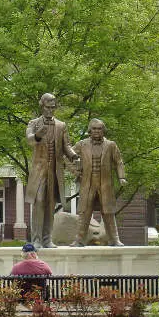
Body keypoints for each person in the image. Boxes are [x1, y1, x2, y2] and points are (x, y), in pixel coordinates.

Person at [25, 93, 78, 248]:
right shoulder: (34, 123)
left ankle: (47, 239)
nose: (50, 110)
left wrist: (74, 156)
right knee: (39, 202)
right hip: (39, 171)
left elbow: (66, 145)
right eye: (48, 107)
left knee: (50, 204)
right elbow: (29, 139)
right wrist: (37, 136)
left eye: (53, 107)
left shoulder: (61, 125)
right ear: (42, 106)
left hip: (55, 171)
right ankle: (36, 239)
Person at [71, 118, 127, 247]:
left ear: (103, 130)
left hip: (105, 183)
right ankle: (79, 240)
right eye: (94, 129)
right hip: (87, 183)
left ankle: (114, 239)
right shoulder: (81, 144)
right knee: (84, 212)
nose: (97, 131)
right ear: (90, 130)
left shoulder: (111, 145)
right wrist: (75, 171)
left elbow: (119, 162)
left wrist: (121, 177)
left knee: (108, 212)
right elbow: (67, 156)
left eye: (99, 128)